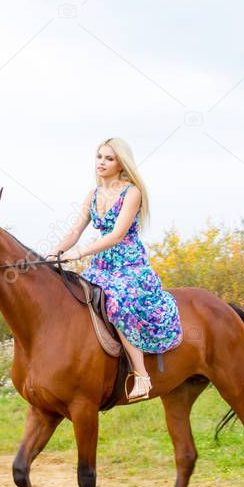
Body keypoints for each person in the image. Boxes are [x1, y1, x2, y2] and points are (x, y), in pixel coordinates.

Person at [45, 137, 182, 401]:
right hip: (102, 265)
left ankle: (142, 375)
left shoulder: (132, 192)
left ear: (121, 163)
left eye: (109, 158)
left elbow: (117, 235)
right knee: (76, 296)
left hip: (129, 265)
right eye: (99, 157)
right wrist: (56, 251)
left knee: (116, 302)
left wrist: (81, 252)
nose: (102, 162)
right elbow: (75, 229)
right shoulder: (93, 194)